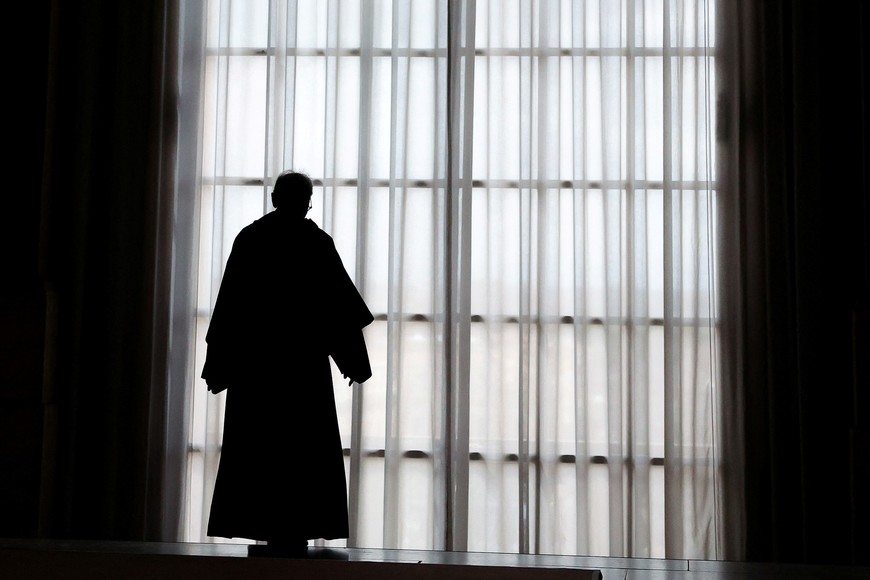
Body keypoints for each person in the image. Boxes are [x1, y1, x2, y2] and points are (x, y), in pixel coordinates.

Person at [201, 170, 373, 558]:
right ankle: (296, 533)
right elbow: (338, 311)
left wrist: (218, 366)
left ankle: (262, 527)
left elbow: (230, 308)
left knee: (258, 454)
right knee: (304, 457)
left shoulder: (251, 239)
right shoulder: (315, 243)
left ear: (274, 197)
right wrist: (354, 362)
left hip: (256, 370)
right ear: (308, 200)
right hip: (302, 371)